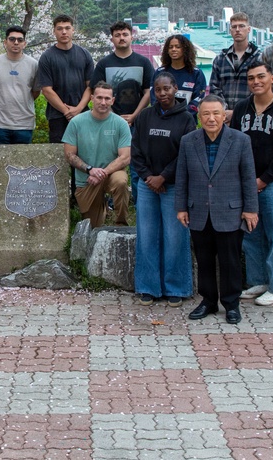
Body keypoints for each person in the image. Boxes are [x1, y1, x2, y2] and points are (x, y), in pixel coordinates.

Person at [175, 96, 259, 324]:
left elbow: (248, 178)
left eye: (216, 114)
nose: (211, 118)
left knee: (230, 260)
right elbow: (182, 177)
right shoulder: (188, 141)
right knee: (204, 259)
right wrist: (181, 207)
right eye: (206, 114)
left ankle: (231, 304)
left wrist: (251, 209)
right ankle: (208, 301)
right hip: (199, 211)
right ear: (199, 117)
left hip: (230, 211)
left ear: (224, 116)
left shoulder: (241, 141)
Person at [230, 62, 273, 306]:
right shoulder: (241, 108)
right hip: (246, 183)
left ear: (272, 78)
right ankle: (258, 280)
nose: (256, 81)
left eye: (261, 76)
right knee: (251, 233)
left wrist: (264, 179)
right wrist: (246, 181)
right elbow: (234, 144)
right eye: (250, 78)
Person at [132, 72, 196, 306]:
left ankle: (176, 288)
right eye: (158, 90)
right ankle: (148, 286)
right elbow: (135, 151)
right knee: (147, 236)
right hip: (148, 185)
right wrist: (149, 177)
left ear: (175, 88)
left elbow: (186, 154)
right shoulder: (145, 117)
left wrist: (163, 177)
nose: (162, 94)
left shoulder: (187, 119)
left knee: (175, 236)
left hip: (174, 186)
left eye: (167, 89)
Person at [62, 82, 131, 228]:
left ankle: (121, 224)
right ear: (92, 98)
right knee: (93, 227)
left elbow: (125, 157)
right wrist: (90, 169)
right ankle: (103, 208)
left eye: (107, 98)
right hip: (87, 179)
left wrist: (102, 173)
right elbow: (69, 155)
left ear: (113, 100)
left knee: (121, 181)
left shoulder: (120, 124)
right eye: (99, 98)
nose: (103, 102)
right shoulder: (76, 122)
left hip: (111, 174)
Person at [37, 14, 95, 143]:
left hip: (83, 114)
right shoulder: (47, 57)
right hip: (57, 115)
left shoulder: (84, 54)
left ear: (73, 30)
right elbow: (46, 89)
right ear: (54, 31)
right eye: (59, 28)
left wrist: (79, 109)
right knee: (59, 155)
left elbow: (90, 86)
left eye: (67, 28)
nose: (64, 32)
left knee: (84, 152)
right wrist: (66, 111)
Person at [0, 25, 41, 146]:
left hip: (24, 123)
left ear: (24, 43)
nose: (16, 42)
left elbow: (35, 91)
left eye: (20, 40)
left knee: (21, 162)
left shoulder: (34, 65)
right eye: (12, 39)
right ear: (5, 42)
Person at [91, 20, 154, 127]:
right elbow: (96, 92)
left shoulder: (144, 62)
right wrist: (114, 117)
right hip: (109, 120)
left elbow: (149, 91)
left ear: (131, 37)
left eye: (125, 34)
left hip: (139, 121)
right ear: (112, 39)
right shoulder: (104, 63)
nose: (121, 38)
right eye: (117, 35)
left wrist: (134, 115)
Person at [207, 12, 261, 120]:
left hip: (251, 116)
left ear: (249, 29)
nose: (237, 29)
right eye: (234, 27)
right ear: (230, 30)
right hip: (224, 118)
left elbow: (261, 89)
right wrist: (224, 110)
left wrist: (238, 112)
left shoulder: (259, 58)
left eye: (241, 26)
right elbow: (214, 88)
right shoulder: (220, 59)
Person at [150, 34, 207, 116]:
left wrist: (181, 114)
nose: (174, 49)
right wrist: (165, 113)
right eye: (171, 47)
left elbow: (198, 99)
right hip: (163, 119)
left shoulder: (197, 73)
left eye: (178, 47)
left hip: (187, 120)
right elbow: (153, 98)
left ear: (185, 49)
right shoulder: (159, 72)